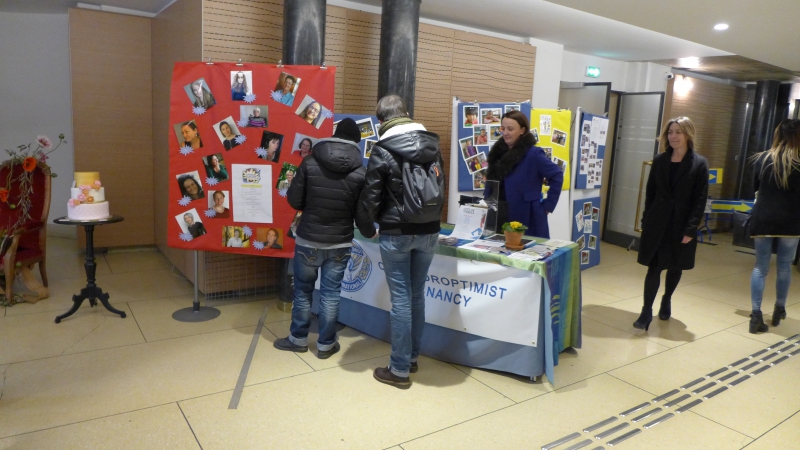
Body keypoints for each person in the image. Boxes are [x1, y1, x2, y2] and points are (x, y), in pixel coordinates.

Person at [358, 95, 443, 389]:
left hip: (396, 232)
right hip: (430, 230)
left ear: (381, 120)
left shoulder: (382, 149)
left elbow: (370, 196)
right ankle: (412, 358)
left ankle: (399, 369)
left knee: (402, 300)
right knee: (417, 294)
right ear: (407, 113)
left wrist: (367, 227)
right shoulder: (432, 144)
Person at [274, 117, 375, 359]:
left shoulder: (309, 162)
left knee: (302, 291)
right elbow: (362, 212)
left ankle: (298, 339)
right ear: (355, 144)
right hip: (340, 243)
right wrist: (371, 232)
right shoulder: (361, 172)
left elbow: (294, 201)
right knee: (330, 294)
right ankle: (326, 345)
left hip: (308, 239)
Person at [634, 117, 708, 331]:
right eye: (670, 132)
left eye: (678, 132)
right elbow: (651, 193)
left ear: (688, 135)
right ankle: (646, 310)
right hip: (657, 222)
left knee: (675, 266)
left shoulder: (699, 163)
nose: (673, 136)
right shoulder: (660, 160)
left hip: (681, 224)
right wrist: (646, 219)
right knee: (654, 267)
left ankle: (666, 299)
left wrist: (691, 229)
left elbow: (699, 200)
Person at [748, 119, 800, 333]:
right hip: (791, 221)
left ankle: (756, 314)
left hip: (763, 219)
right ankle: (779, 308)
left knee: (760, 267)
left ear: (777, 134)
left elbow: (755, 189)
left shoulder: (762, 160)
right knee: (784, 267)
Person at [485, 110, 563, 238]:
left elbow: (557, 175)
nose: (505, 133)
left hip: (527, 214)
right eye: (503, 128)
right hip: (498, 211)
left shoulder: (534, 154)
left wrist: (547, 207)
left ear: (522, 130)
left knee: (527, 254)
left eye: (510, 129)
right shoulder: (498, 153)